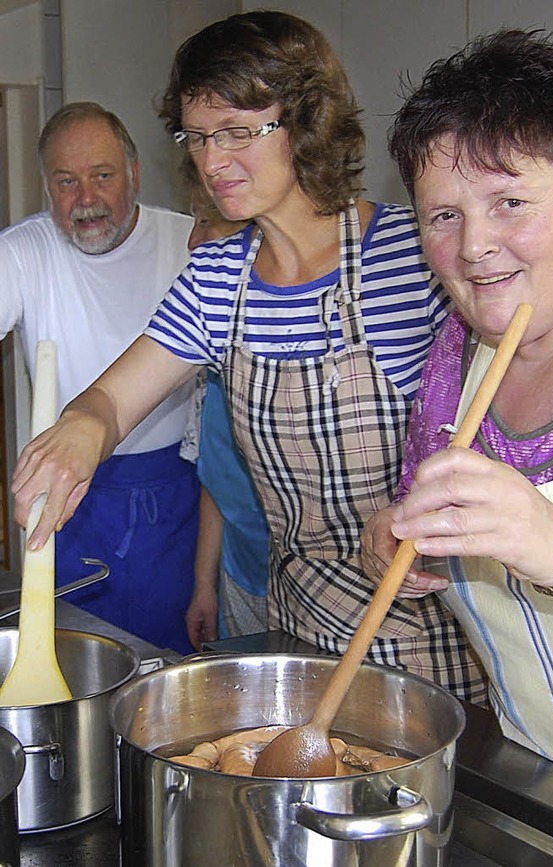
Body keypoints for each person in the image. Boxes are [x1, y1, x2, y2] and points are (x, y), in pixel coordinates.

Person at [11, 11, 487, 704]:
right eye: (199, 136)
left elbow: (502, 435)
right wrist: (79, 431)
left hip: (435, 647)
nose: (211, 161)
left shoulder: (413, 258)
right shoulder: (216, 281)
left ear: (307, 120)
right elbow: (112, 400)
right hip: (299, 642)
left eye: (239, 131)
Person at [360, 29, 553, 792]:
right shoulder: (458, 354)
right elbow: (423, 516)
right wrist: (394, 535)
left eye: (509, 202)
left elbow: (543, 538)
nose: (475, 247)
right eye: (442, 216)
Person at [0, 101, 199, 654]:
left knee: (165, 666)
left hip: (171, 493)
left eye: (102, 176)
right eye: (66, 182)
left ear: (133, 173)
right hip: (68, 495)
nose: (85, 199)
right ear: (46, 187)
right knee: (68, 653)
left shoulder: (190, 245)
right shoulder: (23, 252)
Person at [181, 182, 269, 647]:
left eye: (206, 222)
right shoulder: (208, 357)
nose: (192, 241)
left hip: (312, 593)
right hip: (241, 578)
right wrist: (204, 587)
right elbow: (215, 481)